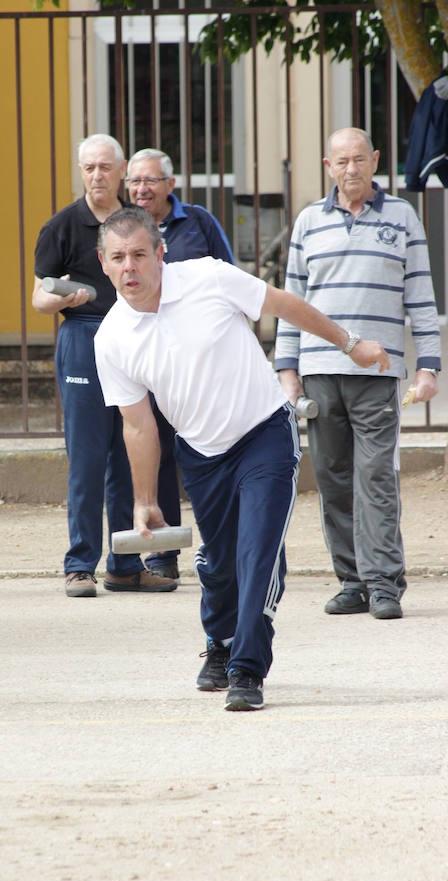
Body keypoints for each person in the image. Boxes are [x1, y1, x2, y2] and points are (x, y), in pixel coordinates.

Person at [93, 206, 390, 711]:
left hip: (263, 435)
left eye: (140, 254)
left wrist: (350, 343)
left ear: (161, 254)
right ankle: (221, 642)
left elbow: (283, 304)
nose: (130, 267)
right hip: (202, 454)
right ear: (103, 263)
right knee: (219, 562)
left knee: (257, 555)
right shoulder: (111, 337)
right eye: (118, 258)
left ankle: (247, 669)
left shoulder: (210, 277)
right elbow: (139, 425)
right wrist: (145, 501)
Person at [274, 127, 441, 621]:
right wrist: (287, 369)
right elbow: (290, 303)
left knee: (375, 478)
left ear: (375, 161)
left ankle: (384, 582)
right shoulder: (308, 222)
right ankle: (352, 580)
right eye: (341, 161)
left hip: (379, 371)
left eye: (360, 159)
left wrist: (429, 365)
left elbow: (422, 298)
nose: (351, 169)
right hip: (320, 370)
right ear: (328, 166)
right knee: (332, 478)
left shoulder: (402, 217)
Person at [32, 134, 177, 598]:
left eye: (104, 167)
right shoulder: (61, 227)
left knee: (129, 451)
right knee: (88, 456)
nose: (96, 175)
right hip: (82, 335)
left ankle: (126, 564)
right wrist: (62, 300)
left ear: (121, 173)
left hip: (134, 334)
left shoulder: (134, 224)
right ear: (81, 172)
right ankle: (80, 565)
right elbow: (37, 297)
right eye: (88, 167)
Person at [125, 148, 235, 581]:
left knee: (208, 449)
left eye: (150, 180)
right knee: (158, 453)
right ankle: (163, 556)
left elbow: (230, 279)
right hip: (150, 358)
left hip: (202, 361)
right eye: (134, 181)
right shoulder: (125, 229)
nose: (141, 189)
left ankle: (219, 546)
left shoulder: (200, 221)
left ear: (170, 185)